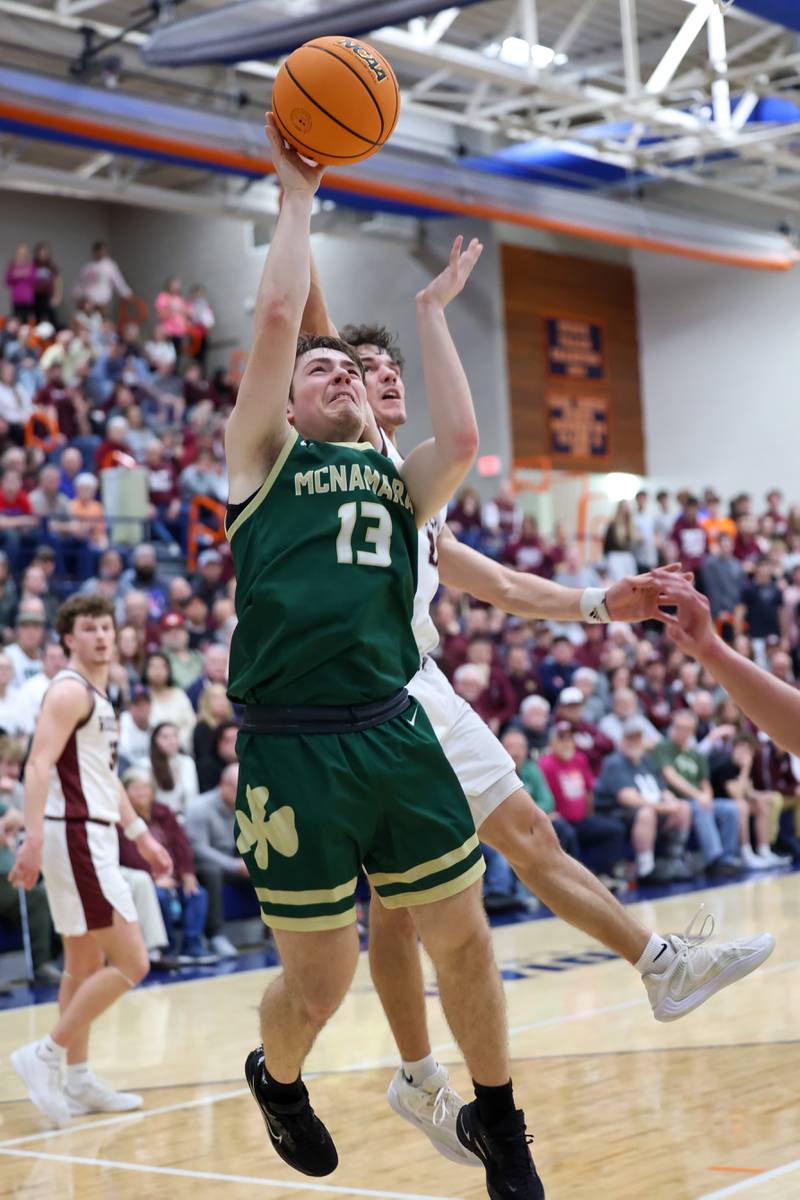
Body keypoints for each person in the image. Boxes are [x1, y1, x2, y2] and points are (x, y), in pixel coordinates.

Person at [306, 288, 775, 1159]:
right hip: (361, 699)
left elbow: (506, 586)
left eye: (393, 368)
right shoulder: (348, 454)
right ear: (346, 390)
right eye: (373, 371)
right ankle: (417, 1074)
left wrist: (604, 603)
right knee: (400, 910)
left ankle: (659, 966)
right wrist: (305, 191)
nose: (390, 380)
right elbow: (317, 329)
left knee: (526, 834)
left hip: (420, 687)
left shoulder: (408, 488)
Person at [225, 116, 544, 1197]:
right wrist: (296, 195)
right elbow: (278, 311)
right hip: (290, 752)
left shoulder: (400, 488)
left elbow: (458, 443)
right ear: (286, 397)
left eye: (347, 373)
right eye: (314, 368)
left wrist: (426, 316)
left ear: (364, 405)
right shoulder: (257, 462)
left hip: (392, 729)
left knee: (461, 938)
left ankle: (499, 1124)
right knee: (318, 985)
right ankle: (276, 1076)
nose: (329, 373)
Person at [9, 594, 172, 1128]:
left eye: (107, 626)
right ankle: (47, 1054)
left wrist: (141, 835)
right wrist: (31, 838)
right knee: (133, 962)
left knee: (83, 963)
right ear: (68, 640)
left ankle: (77, 1079)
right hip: (74, 837)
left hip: (91, 833)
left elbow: (103, 779)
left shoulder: (100, 694)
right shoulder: (69, 691)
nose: (102, 636)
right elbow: (36, 765)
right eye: (89, 628)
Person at [119, 768, 215, 964]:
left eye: (145, 787)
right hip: (148, 877)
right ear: (125, 793)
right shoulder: (122, 819)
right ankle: (168, 948)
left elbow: (182, 845)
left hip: (174, 875)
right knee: (158, 895)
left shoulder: (163, 812)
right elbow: (128, 855)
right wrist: (157, 878)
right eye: (135, 788)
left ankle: (192, 945)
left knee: (197, 893)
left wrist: (187, 874)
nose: (141, 792)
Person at [594, 719, 695, 883]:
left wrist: (673, 802)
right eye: (630, 739)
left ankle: (674, 859)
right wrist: (664, 808)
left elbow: (663, 790)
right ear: (622, 741)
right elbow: (627, 798)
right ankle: (645, 867)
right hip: (620, 813)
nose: (634, 743)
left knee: (683, 807)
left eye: (637, 739)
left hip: (655, 810)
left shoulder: (647, 761)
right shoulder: (615, 763)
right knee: (646, 814)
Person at [649, 710, 742, 878]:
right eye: (677, 727)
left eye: (685, 728)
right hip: (677, 801)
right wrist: (698, 796)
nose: (680, 731)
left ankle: (728, 857)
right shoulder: (663, 747)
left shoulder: (696, 755)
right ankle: (714, 860)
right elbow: (671, 777)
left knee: (731, 808)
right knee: (701, 808)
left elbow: (705, 783)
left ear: (692, 732)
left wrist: (707, 795)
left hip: (698, 799)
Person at [149, 722, 199, 817]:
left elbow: (192, 795)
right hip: (159, 818)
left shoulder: (187, 762)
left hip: (184, 816)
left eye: (175, 736)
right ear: (155, 740)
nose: (172, 741)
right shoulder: (147, 765)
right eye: (165, 737)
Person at [73, 241, 132, 314]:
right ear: (94, 251)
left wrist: (126, 293)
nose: (100, 253)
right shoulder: (88, 267)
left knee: (101, 321)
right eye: (98, 251)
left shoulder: (109, 266)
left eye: (102, 250)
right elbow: (80, 283)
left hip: (102, 302)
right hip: (88, 301)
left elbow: (118, 281)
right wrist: (77, 296)